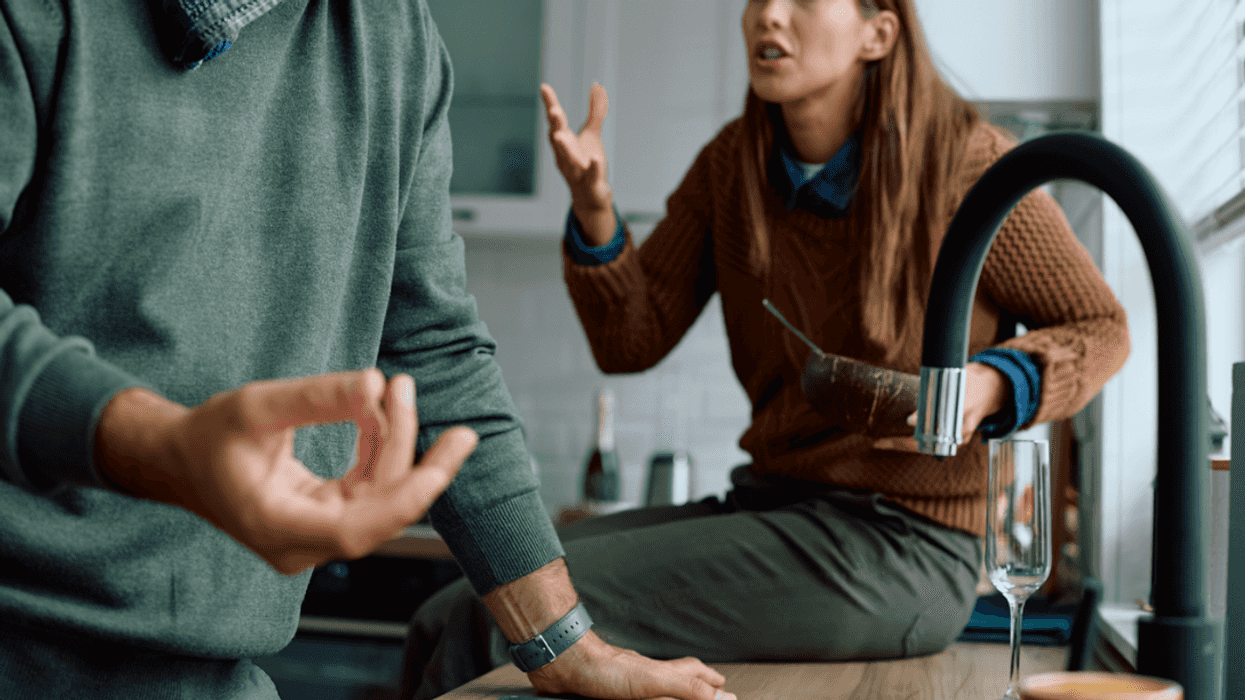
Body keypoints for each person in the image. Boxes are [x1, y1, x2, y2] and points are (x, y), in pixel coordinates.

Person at [0, 2, 735, 699]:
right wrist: (162, 446)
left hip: (216, 673)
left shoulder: (392, 30)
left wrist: (564, 642)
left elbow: (432, 346)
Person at [401, 0, 1130, 696]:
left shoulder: (967, 164)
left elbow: (1100, 326)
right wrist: (595, 213)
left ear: (877, 33)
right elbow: (630, 339)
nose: (767, 16)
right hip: (772, 508)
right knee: (463, 602)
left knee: (485, 621)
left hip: (901, 548)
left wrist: (990, 385)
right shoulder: (732, 167)